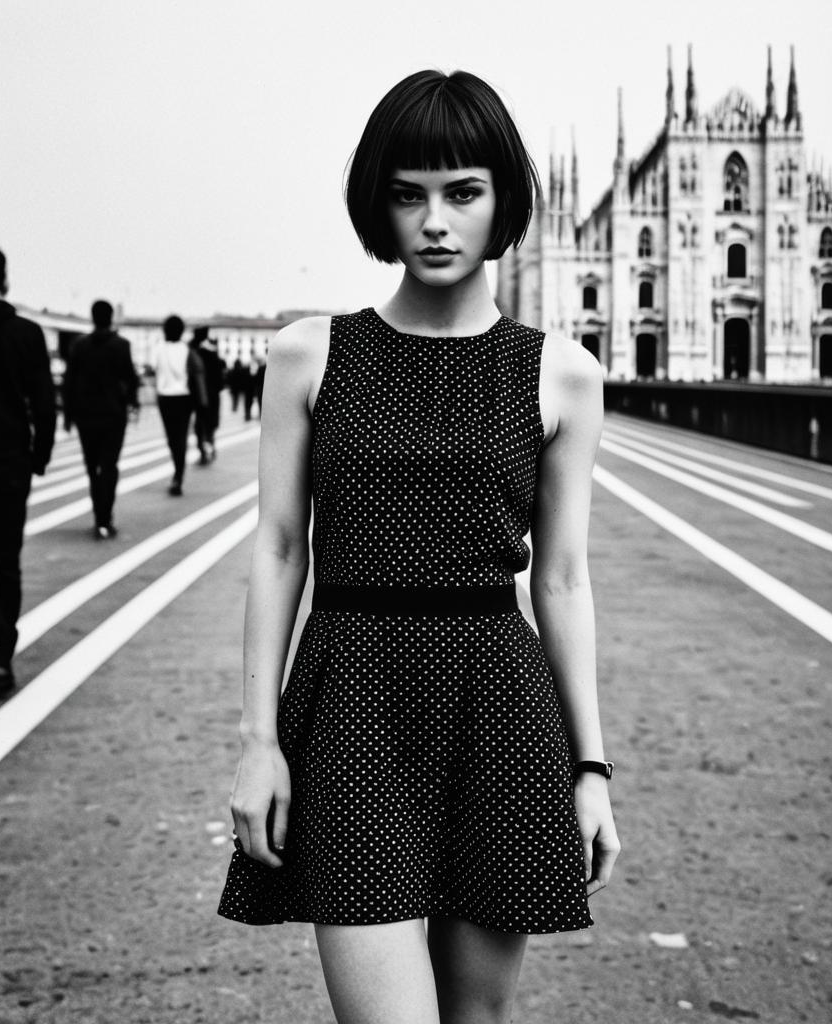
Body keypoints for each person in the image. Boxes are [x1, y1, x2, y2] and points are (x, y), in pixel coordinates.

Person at [218, 70, 620, 1024]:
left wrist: (592, 769)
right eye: (408, 195)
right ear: (378, 206)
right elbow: (279, 552)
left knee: (477, 1020)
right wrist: (258, 742)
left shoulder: (561, 373)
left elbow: (563, 582)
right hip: (351, 698)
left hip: (500, 704)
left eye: (463, 192)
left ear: (503, 203)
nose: (435, 221)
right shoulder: (307, 356)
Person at [0, 243, 55, 695]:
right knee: (7, 561)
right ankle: (2, 653)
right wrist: (39, 455)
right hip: (8, 462)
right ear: (4, 279)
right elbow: (43, 401)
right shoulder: (26, 332)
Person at [62, 299, 140, 538]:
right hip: (113, 414)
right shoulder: (121, 345)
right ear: (111, 318)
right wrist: (132, 403)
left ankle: (98, 514)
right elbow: (130, 378)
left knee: (92, 466)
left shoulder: (79, 345)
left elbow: (69, 382)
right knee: (109, 466)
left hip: (86, 415)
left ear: (93, 317)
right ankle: (106, 517)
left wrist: (67, 414)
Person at [153, 314, 206, 496]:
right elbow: (198, 374)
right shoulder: (187, 350)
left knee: (171, 438)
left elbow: (155, 372)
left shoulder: (159, 349)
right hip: (184, 398)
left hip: (165, 398)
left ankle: (177, 470)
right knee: (181, 436)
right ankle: (178, 475)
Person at [191, 326, 225, 463]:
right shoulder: (213, 354)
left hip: (200, 395)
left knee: (200, 424)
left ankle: (203, 449)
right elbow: (220, 379)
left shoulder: (195, 352)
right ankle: (210, 445)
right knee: (210, 424)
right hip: (212, 395)